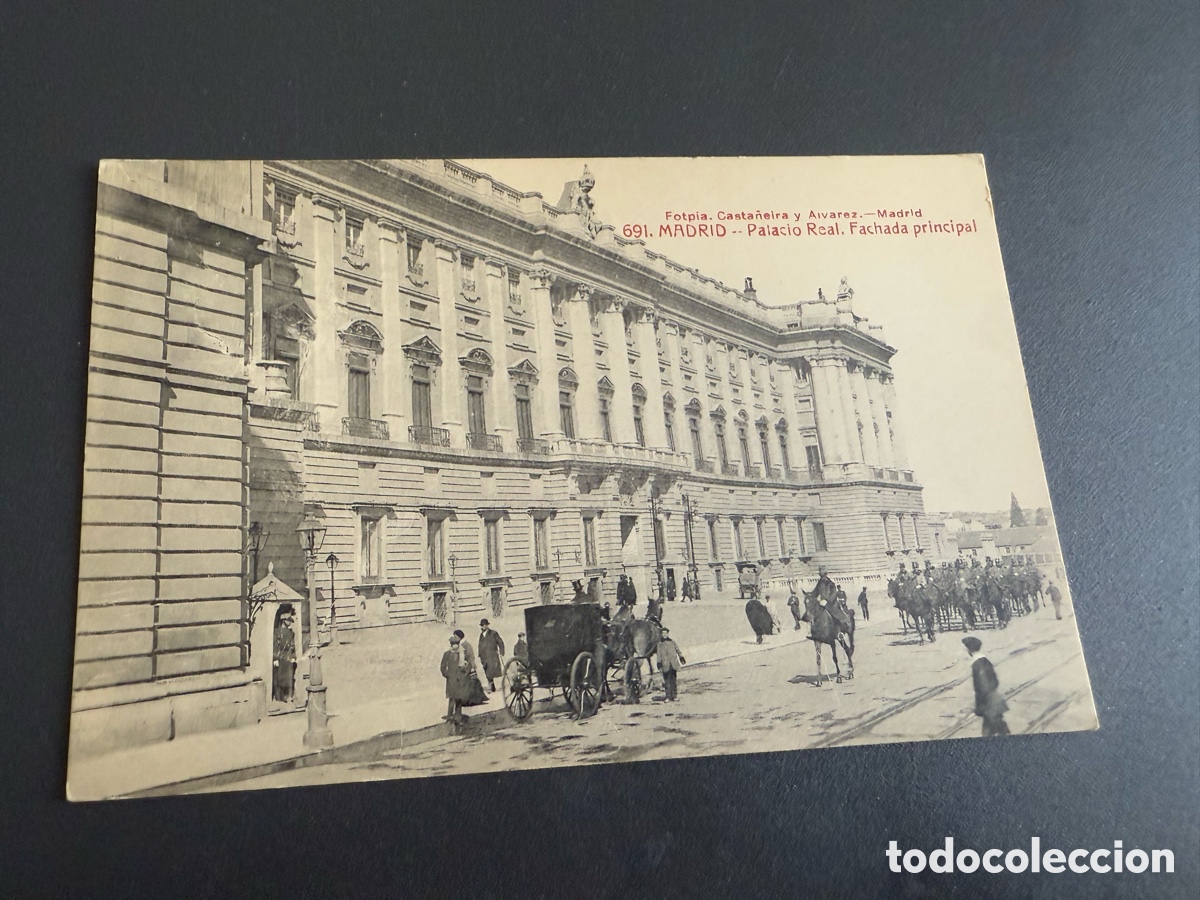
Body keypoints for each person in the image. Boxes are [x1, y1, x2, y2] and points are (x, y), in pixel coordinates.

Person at [963, 636, 1009, 736]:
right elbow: (995, 681)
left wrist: (983, 703)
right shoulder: (985, 661)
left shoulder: (977, 664)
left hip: (989, 704)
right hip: (994, 702)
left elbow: (983, 686)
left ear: (969, 650)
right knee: (999, 729)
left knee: (989, 732)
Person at [440, 633, 472, 725]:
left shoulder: (463, 653)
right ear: (451, 645)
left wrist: (465, 674)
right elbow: (442, 667)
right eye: (453, 644)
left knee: (459, 700)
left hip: (461, 680)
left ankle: (458, 717)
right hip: (451, 680)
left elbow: (469, 664)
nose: (455, 646)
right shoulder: (447, 654)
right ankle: (450, 717)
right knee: (451, 699)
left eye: (456, 644)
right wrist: (447, 675)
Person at [272, 607, 297, 703]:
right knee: (279, 678)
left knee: (289, 678)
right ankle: (280, 697)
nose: (290, 622)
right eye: (288, 620)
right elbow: (275, 646)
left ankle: (288, 696)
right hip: (280, 658)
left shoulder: (291, 633)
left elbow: (292, 646)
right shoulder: (277, 632)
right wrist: (275, 658)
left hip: (288, 658)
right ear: (283, 620)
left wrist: (293, 657)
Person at [657, 627, 686, 701]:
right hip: (665, 665)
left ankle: (674, 696)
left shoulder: (672, 642)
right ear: (661, 634)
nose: (664, 634)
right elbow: (659, 655)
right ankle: (668, 697)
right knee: (667, 682)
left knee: (673, 681)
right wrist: (659, 663)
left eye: (666, 633)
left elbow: (677, 650)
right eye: (663, 633)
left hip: (673, 664)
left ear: (668, 633)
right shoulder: (660, 644)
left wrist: (681, 657)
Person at [477, 618, 505, 692]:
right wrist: (479, 654)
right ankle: (492, 687)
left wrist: (501, 652)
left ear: (487, 625)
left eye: (485, 625)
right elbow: (480, 645)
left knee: (493, 671)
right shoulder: (481, 635)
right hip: (484, 656)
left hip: (492, 656)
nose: (483, 627)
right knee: (486, 671)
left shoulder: (493, 633)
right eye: (482, 625)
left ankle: (499, 686)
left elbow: (500, 642)